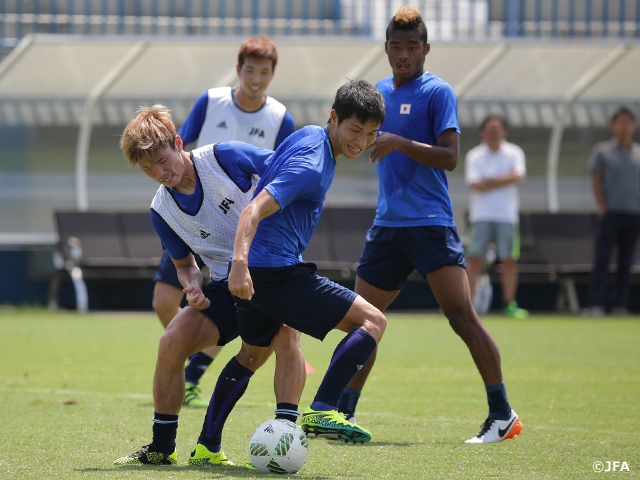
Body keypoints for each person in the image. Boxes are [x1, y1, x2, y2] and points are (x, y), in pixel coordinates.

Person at [335, 6, 523, 444]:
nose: (404, 54)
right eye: (397, 47)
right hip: (388, 226)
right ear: (386, 49)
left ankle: (502, 414)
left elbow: (451, 157)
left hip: (430, 223)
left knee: (461, 316)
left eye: (412, 47)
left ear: (425, 49)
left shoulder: (438, 92)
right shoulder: (377, 93)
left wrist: (401, 143)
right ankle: (341, 415)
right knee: (362, 321)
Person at [114, 105, 305, 466]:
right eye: (148, 168)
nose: (160, 172)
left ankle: (285, 435)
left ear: (178, 142)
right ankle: (161, 447)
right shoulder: (161, 210)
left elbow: (288, 170)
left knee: (286, 336)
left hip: (276, 270)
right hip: (225, 284)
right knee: (171, 343)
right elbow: (184, 265)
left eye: (162, 159)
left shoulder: (225, 157)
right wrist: (193, 286)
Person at [228, 79, 387, 445]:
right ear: (334, 118)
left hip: (265, 272)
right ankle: (324, 407)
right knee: (372, 321)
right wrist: (240, 263)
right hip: (273, 273)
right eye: (354, 129)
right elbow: (252, 211)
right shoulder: (314, 165)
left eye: (371, 133)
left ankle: (208, 445)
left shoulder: (310, 136)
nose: (360, 142)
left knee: (255, 354)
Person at [151, 36, 297, 408]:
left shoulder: (281, 116)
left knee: (268, 323)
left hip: (244, 231)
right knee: (165, 300)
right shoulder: (211, 100)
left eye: (264, 72)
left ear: (273, 74)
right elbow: (176, 146)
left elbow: (282, 170)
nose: (256, 78)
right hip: (192, 216)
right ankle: (193, 354)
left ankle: (196, 371)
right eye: (250, 70)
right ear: (239, 69)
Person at [465, 115, 529, 318]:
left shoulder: (515, 152)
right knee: (474, 259)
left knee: (509, 260)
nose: (494, 132)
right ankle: (470, 305)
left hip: (507, 216)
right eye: (490, 128)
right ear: (482, 132)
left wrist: (489, 180)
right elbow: (475, 184)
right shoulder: (474, 155)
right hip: (480, 215)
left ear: (505, 131)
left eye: (497, 128)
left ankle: (509, 304)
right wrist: (505, 178)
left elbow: (518, 176)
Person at [587, 106, 640, 316]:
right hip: (611, 213)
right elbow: (595, 180)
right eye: (621, 122)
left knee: (626, 262)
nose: (625, 127)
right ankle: (596, 304)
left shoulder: (638, 153)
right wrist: (602, 205)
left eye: (629, 122)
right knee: (602, 260)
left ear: (633, 126)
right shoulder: (603, 151)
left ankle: (620, 305)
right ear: (613, 126)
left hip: (634, 213)